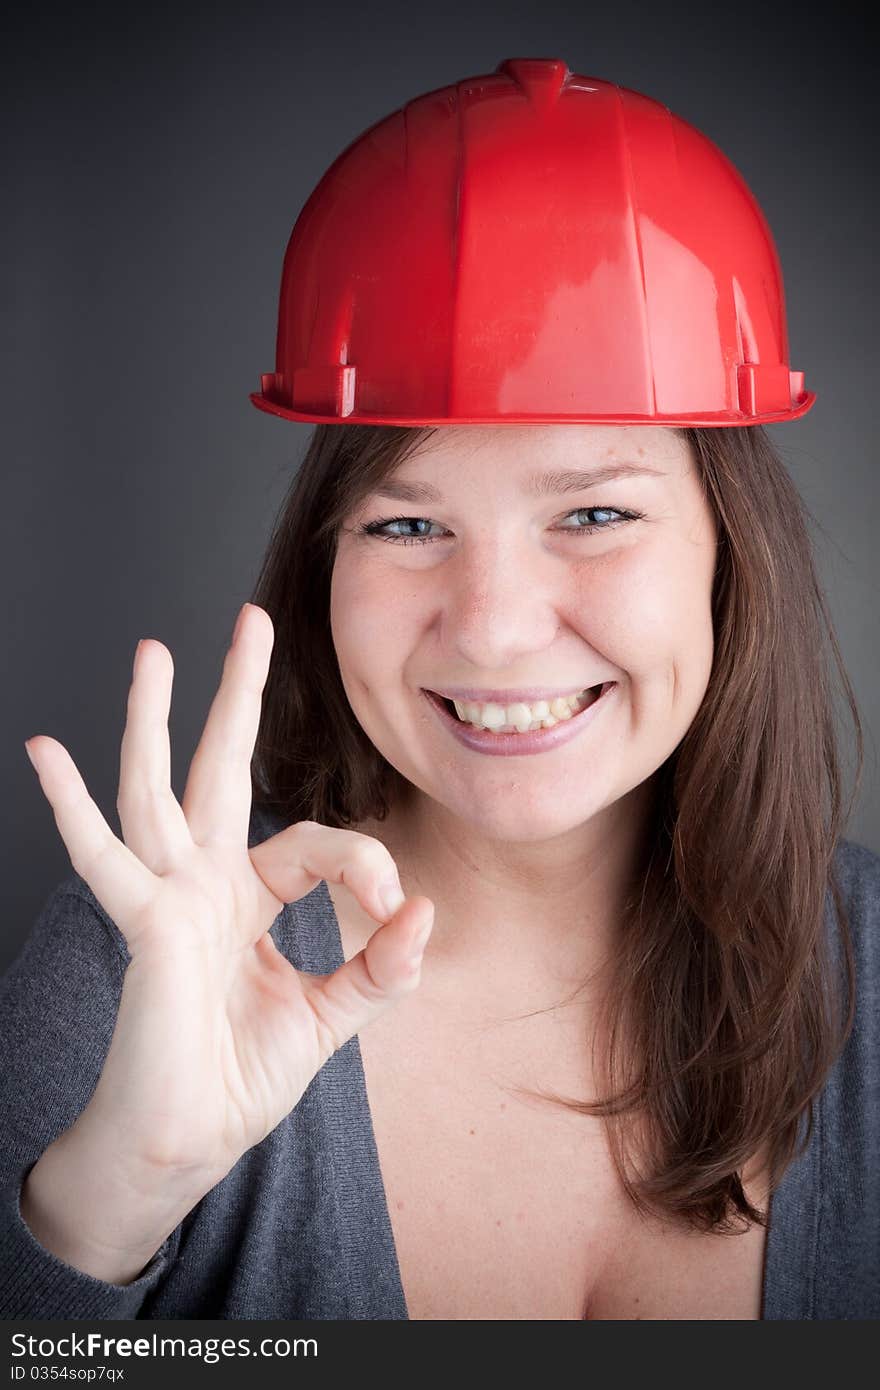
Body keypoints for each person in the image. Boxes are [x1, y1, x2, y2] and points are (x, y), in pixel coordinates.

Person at [1, 58, 877, 1322]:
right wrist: (107, 1205)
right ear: (324, 558)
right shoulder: (135, 977)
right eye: (407, 526)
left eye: (592, 511)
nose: (496, 630)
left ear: (728, 552)